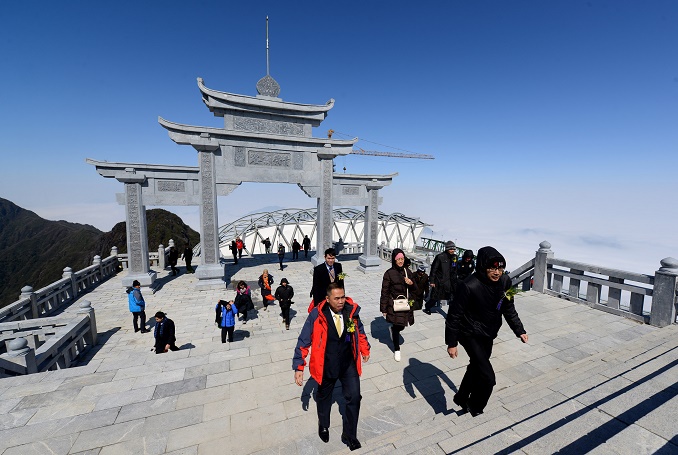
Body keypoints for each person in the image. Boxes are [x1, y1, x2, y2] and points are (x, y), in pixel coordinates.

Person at [445, 246, 528, 416]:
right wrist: (452, 343)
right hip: (469, 333)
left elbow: (508, 307)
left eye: (500, 268)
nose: (497, 272)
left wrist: (519, 329)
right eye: (492, 268)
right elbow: (454, 316)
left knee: (475, 366)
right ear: (482, 266)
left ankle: (461, 397)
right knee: (488, 378)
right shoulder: (468, 285)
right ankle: (475, 407)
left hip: (488, 333)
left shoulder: (505, 282)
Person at [293, 283, 371, 451]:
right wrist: (299, 366)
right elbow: (304, 340)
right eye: (337, 298)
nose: (341, 301)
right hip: (326, 364)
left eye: (343, 297)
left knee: (355, 398)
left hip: (348, 362)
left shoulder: (351, 311)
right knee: (323, 397)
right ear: (328, 299)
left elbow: (360, 331)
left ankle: (350, 434)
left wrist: (364, 348)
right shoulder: (316, 315)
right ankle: (324, 424)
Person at [380, 248, 418, 361]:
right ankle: (397, 349)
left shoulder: (408, 271)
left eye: (402, 259)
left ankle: (392, 330)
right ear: (394, 260)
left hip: (405, 303)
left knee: (401, 326)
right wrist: (384, 308)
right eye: (398, 259)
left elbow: (416, 289)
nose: (400, 261)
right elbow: (384, 292)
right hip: (394, 305)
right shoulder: (389, 273)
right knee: (397, 326)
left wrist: (411, 283)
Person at [424, 241, 458, 315]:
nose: (453, 250)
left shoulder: (455, 257)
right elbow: (434, 269)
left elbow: (454, 269)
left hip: (450, 282)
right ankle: (427, 307)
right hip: (440, 281)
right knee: (435, 297)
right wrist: (432, 281)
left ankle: (451, 314)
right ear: (447, 249)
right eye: (451, 249)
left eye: (453, 249)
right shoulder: (440, 257)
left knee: (452, 298)